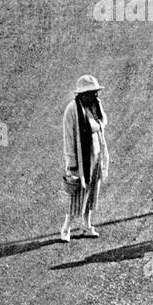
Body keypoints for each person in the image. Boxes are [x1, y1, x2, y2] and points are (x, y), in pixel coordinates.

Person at [61, 74, 109, 242]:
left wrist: (99, 108)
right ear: (82, 94)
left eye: (96, 92)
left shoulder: (95, 106)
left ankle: (87, 225)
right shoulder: (72, 110)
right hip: (82, 158)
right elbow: (69, 139)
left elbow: (103, 123)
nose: (96, 95)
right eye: (92, 93)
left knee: (92, 191)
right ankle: (66, 228)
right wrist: (71, 165)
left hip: (96, 155)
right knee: (77, 195)